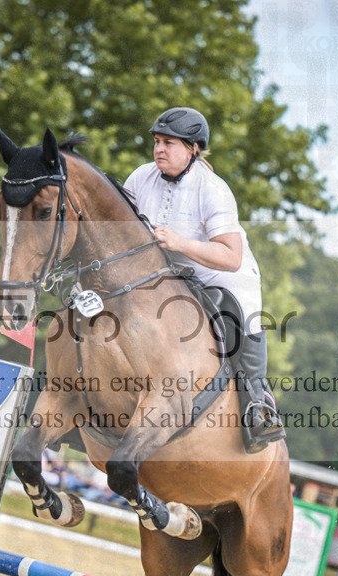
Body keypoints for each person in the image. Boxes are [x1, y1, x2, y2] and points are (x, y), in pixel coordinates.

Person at [124, 107, 285, 452]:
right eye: (156, 141)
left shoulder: (213, 189)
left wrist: (180, 243)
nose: (159, 149)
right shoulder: (140, 177)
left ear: (193, 148)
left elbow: (231, 256)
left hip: (220, 275)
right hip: (165, 274)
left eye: (168, 143)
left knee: (241, 316)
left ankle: (259, 406)